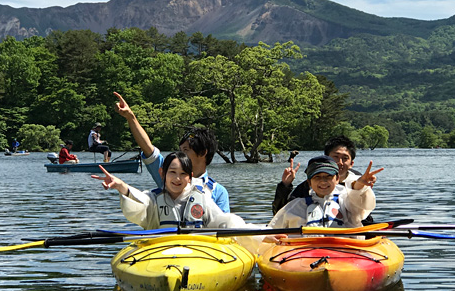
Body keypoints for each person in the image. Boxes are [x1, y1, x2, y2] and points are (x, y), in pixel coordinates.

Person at [114, 92, 230, 213]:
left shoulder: (217, 192)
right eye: (180, 150)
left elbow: (224, 225)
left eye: (186, 150)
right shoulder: (169, 176)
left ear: (202, 153)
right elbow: (148, 148)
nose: (180, 156)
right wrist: (130, 117)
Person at [91, 151, 246, 231]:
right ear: (162, 174)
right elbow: (138, 201)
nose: (177, 179)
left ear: (190, 177)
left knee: (233, 220)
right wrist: (120, 186)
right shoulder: (153, 198)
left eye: (183, 174)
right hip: (162, 251)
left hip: (198, 251)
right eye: (172, 172)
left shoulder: (202, 196)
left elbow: (223, 221)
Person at [267, 154, 382, 230]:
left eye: (328, 176)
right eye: (317, 177)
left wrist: (360, 184)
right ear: (309, 182)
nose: (323, 181)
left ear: (337, 179)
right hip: (304, 253)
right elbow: (273, 229)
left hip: (345, 250)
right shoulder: (296, 206)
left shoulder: (347, 201)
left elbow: (358, 200)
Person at [272, 135, 363, 215]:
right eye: (335, 157)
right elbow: (281, 213)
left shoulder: (358, 182)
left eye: (345, 158)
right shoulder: (309, 185)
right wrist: (285, 185)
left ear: (351, 163)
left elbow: (364, 215)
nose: (340, 162)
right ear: (326, 158)